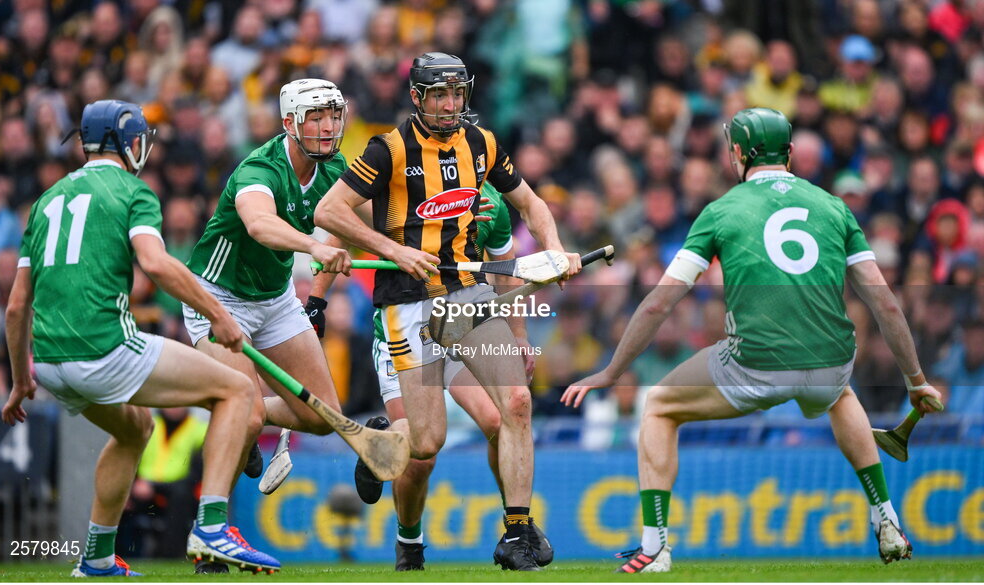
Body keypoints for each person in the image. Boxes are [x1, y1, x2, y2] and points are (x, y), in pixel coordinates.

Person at [562, 107, 944, 573]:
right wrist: (916, 381)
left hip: (754, 365)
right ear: (787, 153)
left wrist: (612, 371)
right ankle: (885, 518)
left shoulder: (721, 210)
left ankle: (654, 546)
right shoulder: (834, 206)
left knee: (659, 405)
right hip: (832, 362)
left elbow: (660, 303)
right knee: (839, 394)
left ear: (738, 153)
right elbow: (885, 304)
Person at [315, 53, 581, 571]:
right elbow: (329, 212)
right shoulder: (387, 149)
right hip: (406, 304)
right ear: (416, 98)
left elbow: (533, 205)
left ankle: (519, 532)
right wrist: (391, 253)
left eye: (458, 94)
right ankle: (382, 449)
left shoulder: (481, 145)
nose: (451, 104)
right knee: (427, 444)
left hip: (467, 298)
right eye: (439, 94)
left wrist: (554, 248)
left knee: (516, 405)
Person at [1, 100, 280, 576]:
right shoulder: (133, 190)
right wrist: (218, 314)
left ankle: (97, 557)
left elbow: (15, 304)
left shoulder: (46, 200)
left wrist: (20, 380)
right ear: (127, 141)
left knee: (134, 429)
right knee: (237, 390)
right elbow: (154, 263)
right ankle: (211, 527)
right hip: (106, 348)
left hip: (47, 362)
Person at [181, 78, 354, 571]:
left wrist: (319, 295)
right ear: (288, 124)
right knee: (247, 414)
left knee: (322, 417)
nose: (326, 126)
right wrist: (315, 246)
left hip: (275, 299)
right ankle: (208, 536)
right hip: (217, 298)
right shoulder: (259, 168)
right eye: (314, 117)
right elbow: (260, 224)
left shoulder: (335, 169)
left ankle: (243, 413)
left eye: (333, 115)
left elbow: (353, 229)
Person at [347, 182, 552, 570]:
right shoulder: (408, 187)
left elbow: (506, 273)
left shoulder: (493, 203)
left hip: (459, 325)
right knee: (422, 454)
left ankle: (516, 524)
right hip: (405, 327)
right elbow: (347, 217)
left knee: (500, 418)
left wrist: (520, 335)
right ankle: (409, 541)